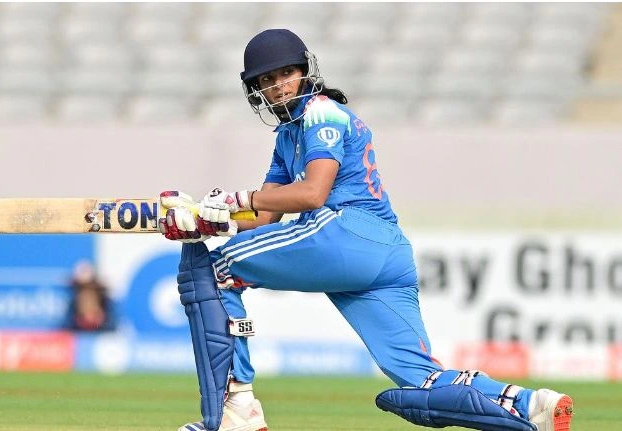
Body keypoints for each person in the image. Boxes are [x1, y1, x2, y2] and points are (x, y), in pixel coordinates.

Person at [158, 29, 573, 431]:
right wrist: (206, 217)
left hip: (347, 231)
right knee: (419, 379)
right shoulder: (287, 136)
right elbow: (265, 216)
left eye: (286, 73)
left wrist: (236, 201)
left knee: (212, 272)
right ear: (257, 91)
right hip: (386, 254)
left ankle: (236, 413)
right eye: (267, 80)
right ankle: (528, 405)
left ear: (305, 70)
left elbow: (312, 194)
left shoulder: (321, 112)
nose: (279, 86)